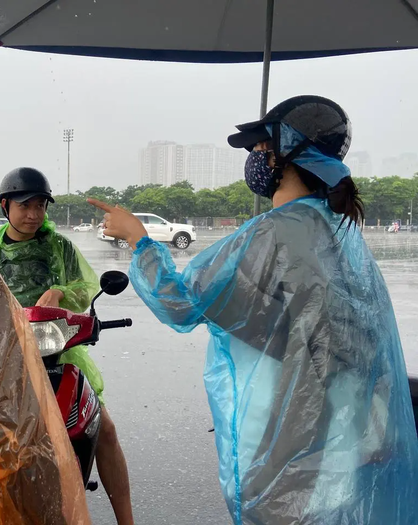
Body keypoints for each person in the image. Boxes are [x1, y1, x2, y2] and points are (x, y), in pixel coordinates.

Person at [90, 96, 418, 524]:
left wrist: (139, 239)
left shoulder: (276, 233)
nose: (254, 158)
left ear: (288, 152)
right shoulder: (331, 228)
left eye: (260, 148)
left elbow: (182, 303)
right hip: (342, 436)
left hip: (295, 440)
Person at [0, 167, 135, 525]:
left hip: (58, 352)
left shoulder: (59, 248)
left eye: (40, 206)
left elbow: (86, 286)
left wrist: (64, 293)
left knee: (104, 429)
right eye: (25, 206)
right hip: (3, 360)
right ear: (5, 206)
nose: (34, 214)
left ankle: (126, 520)